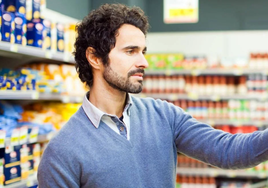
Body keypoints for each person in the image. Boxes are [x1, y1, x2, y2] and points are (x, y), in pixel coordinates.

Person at [37, 3, 268, 188]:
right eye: (131, 51)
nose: (143, 62)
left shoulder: (164, 116)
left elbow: (231, 151)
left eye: (143, 51)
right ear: (95, 58)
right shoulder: (62, 152)